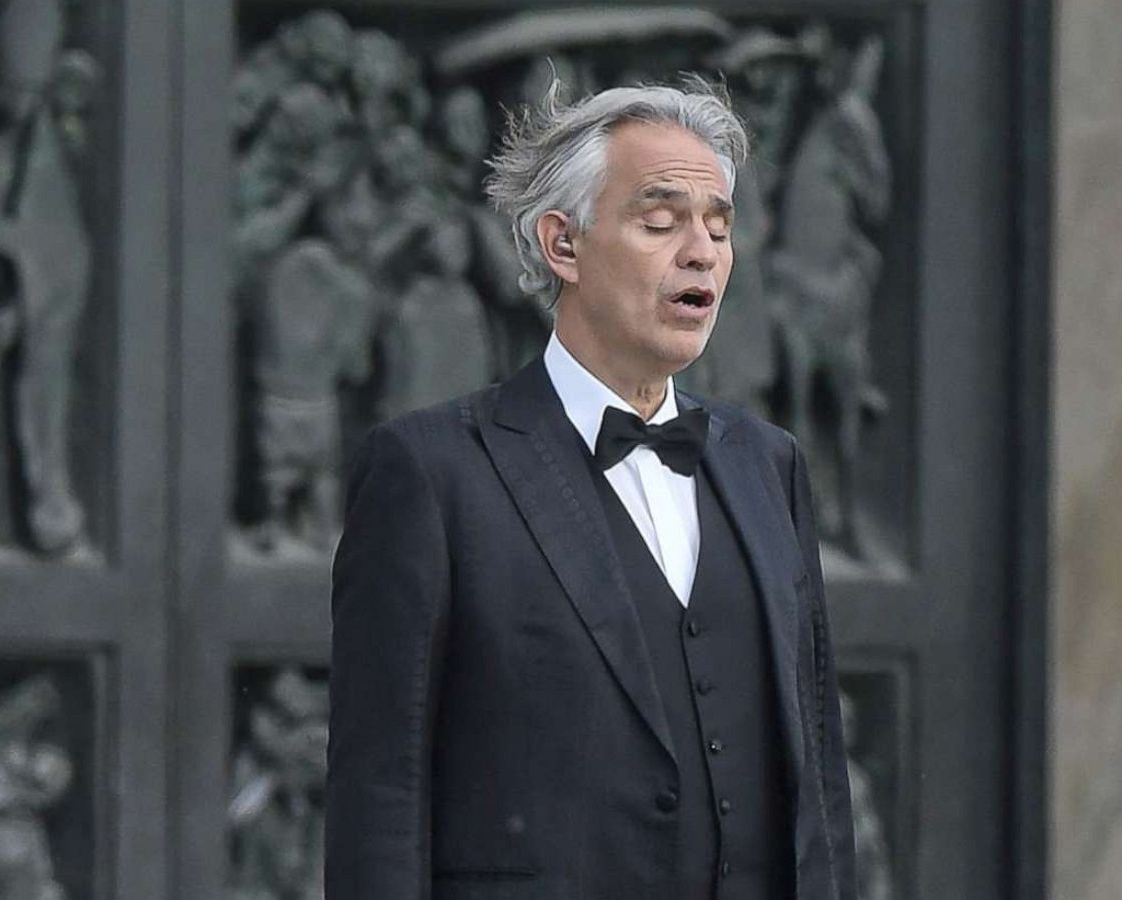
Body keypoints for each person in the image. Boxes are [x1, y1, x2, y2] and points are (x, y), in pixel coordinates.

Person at [327, 80, 856, 900]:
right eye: (660, 221)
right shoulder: (430, 473)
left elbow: (816, 778)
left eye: (719, 226)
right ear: (562, 245)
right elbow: (380, 798)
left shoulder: (769, 464)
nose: (702, 251)